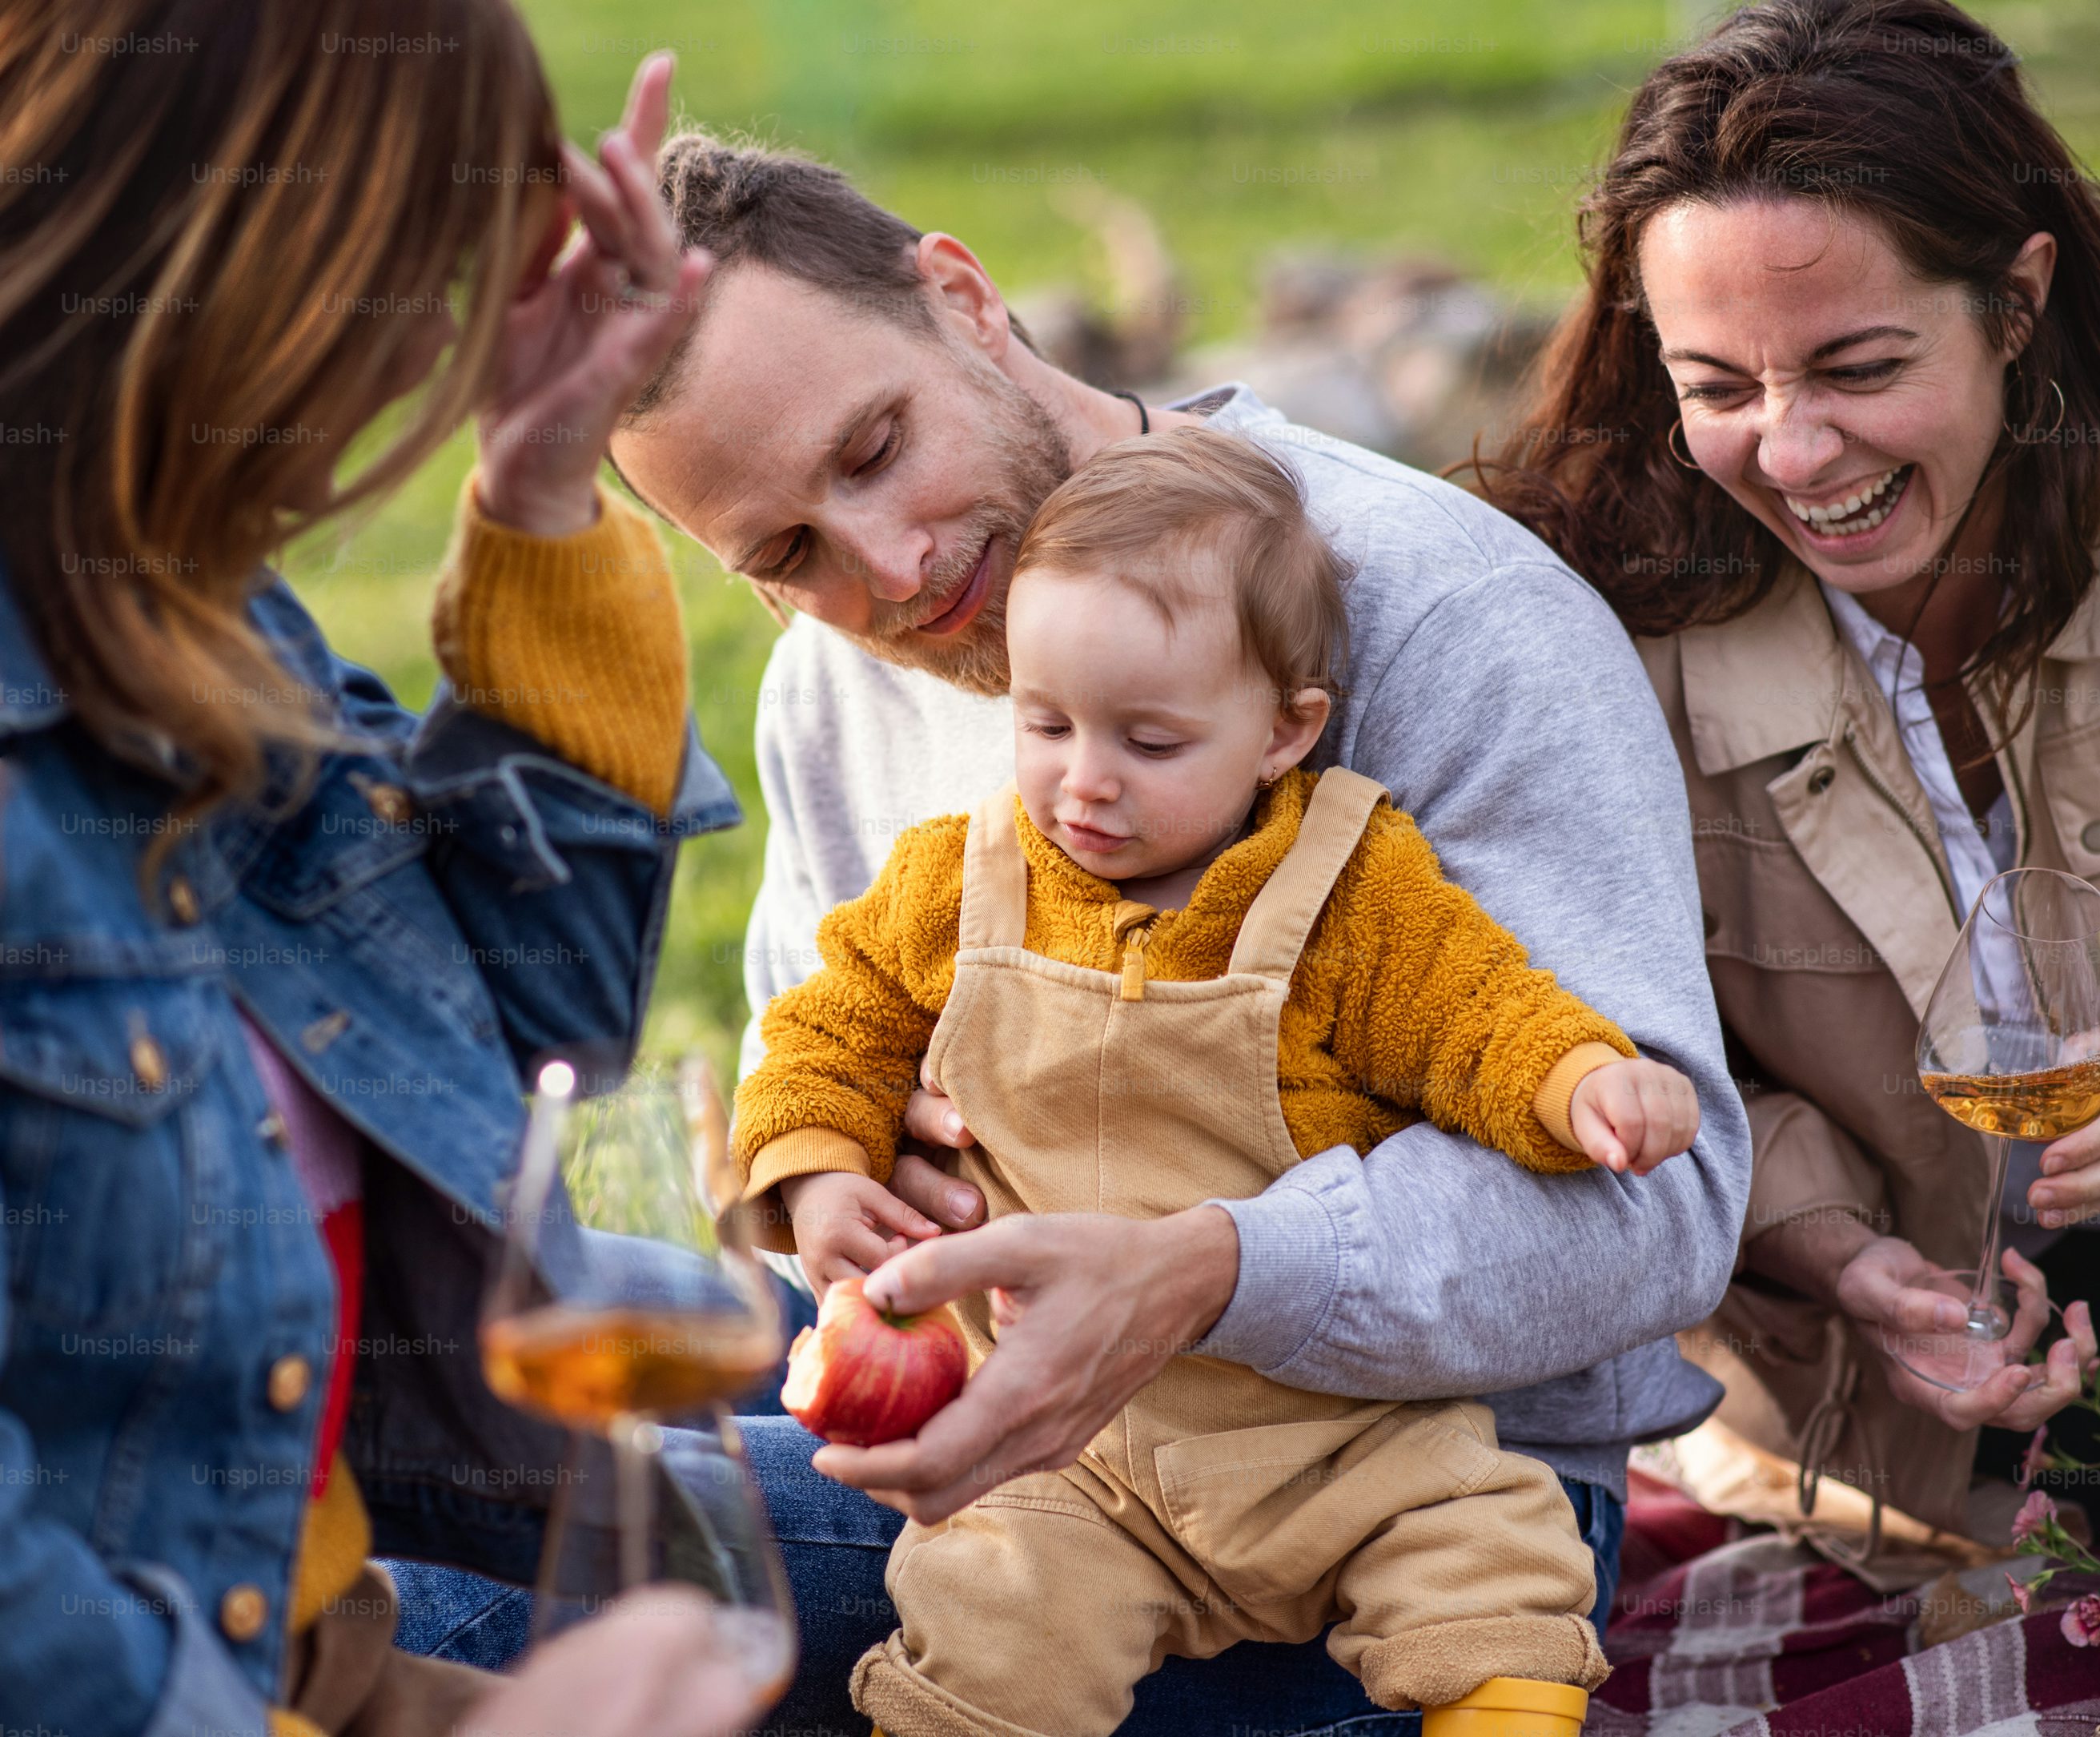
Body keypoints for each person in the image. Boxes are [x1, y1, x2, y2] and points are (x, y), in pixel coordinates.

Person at [426, 119, 1753, 1731]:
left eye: (873, 449)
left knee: (460, 1587)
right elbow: (814, 1046)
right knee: (424, 1405)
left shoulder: (1430, 611)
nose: (895, 568)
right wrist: (845, 1185)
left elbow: (1663, 1204)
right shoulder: (831, 685)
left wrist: (1203, 1268)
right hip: (1024, 1456)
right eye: (785, 554)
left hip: (1404, 1507)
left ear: (964, 300)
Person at [1473, 0, 2100, 1550]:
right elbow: (1583, 1050)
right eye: (1717, 387)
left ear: (2019, 300)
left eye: (1859, 365)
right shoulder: (1589, 618)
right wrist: (1839, 1253)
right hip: (1878, 1398)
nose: (1794, 453)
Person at [0, 6, 755, 1733]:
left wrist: (545, 488)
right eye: (406, 290)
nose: (413, 373)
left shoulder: (185, 606)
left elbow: (528, 1055)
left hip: (320, 1645)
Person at [736, 427, 1702, 1733]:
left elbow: (1473, 1016)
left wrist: (1583, 1080)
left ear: (1284, 730)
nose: (1085, 780)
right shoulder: (953, 886)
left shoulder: (1347, 893)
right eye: (1045, 722)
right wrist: (814, 1169)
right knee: (989, 1615)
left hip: (1335, 1430)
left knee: (1487, 1546)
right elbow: (826, 1030)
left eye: (1149, 739)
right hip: (1058, 1447)